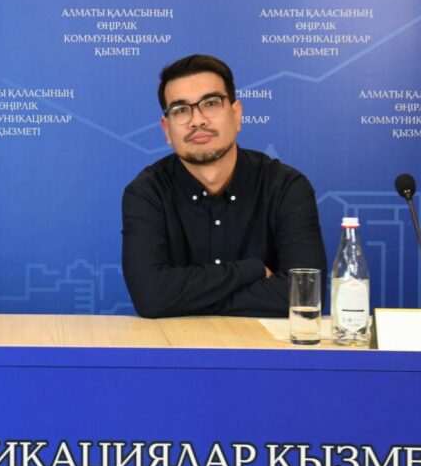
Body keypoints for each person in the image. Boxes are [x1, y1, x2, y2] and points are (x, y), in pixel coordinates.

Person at [122, 54, 325, 318]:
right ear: (167, 130)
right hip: (176, 343)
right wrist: (252, 270)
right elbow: (151, 296)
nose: (197, 120)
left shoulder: (286, 187)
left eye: (210, 104)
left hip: (263, 344)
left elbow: (304, 294)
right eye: (181, 110)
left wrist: (185, 300)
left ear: (236, 114)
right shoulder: (147, 193)